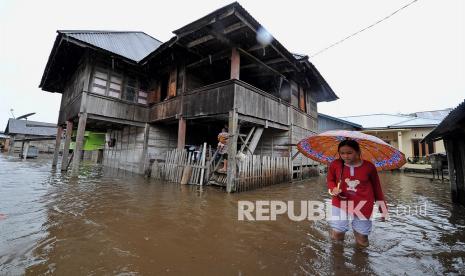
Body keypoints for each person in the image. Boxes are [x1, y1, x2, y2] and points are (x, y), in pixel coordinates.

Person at [327, 139, 388, 247]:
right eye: (342, 153)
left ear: (358, 152)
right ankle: (337, 260)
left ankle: (361, 261)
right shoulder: (335, 164)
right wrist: (333, 188)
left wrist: (383, 209)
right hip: (340, 203)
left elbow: (377, 188)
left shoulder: (369, 167)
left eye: (349, 153)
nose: (345, 156)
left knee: (362, 239)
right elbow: (330, 180)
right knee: (338, 234)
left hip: (363, 205)